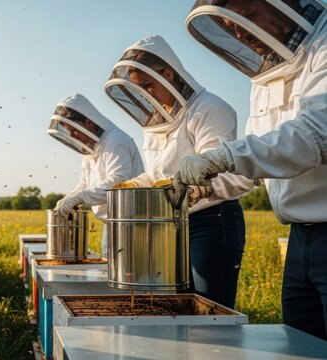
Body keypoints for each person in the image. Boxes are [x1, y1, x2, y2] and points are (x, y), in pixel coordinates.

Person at [176, 0, 327, 338]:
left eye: (246, 17)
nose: (241, 33)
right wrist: (208, 186)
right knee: (302, 346)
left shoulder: (324, 46)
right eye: (231, 28)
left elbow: (318, 133)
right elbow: (255, 164)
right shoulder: (265, 77)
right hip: (300, 239)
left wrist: (222, 157)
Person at [104, 35, 255, 308]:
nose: (146, 95)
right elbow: (157, 173)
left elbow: (228, 170)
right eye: (140, 90)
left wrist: (196, 187)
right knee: (176, 305)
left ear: (168, 74)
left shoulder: (209, 109)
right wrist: (132, 185)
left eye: (148, 85)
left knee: (209, 307)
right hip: (171, 223)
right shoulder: (156, 123)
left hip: (212, 219)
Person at [48, 94, 144, 257]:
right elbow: (85, 183)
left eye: (74, 130)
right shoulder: (89, 149)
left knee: (127, 276)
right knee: (111, 273)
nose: (73, 135)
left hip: (133, 224)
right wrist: (68, 198)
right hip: (111, 223)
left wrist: (80, 198)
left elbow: (120, 181)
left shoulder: (115, 140)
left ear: (89, 122)